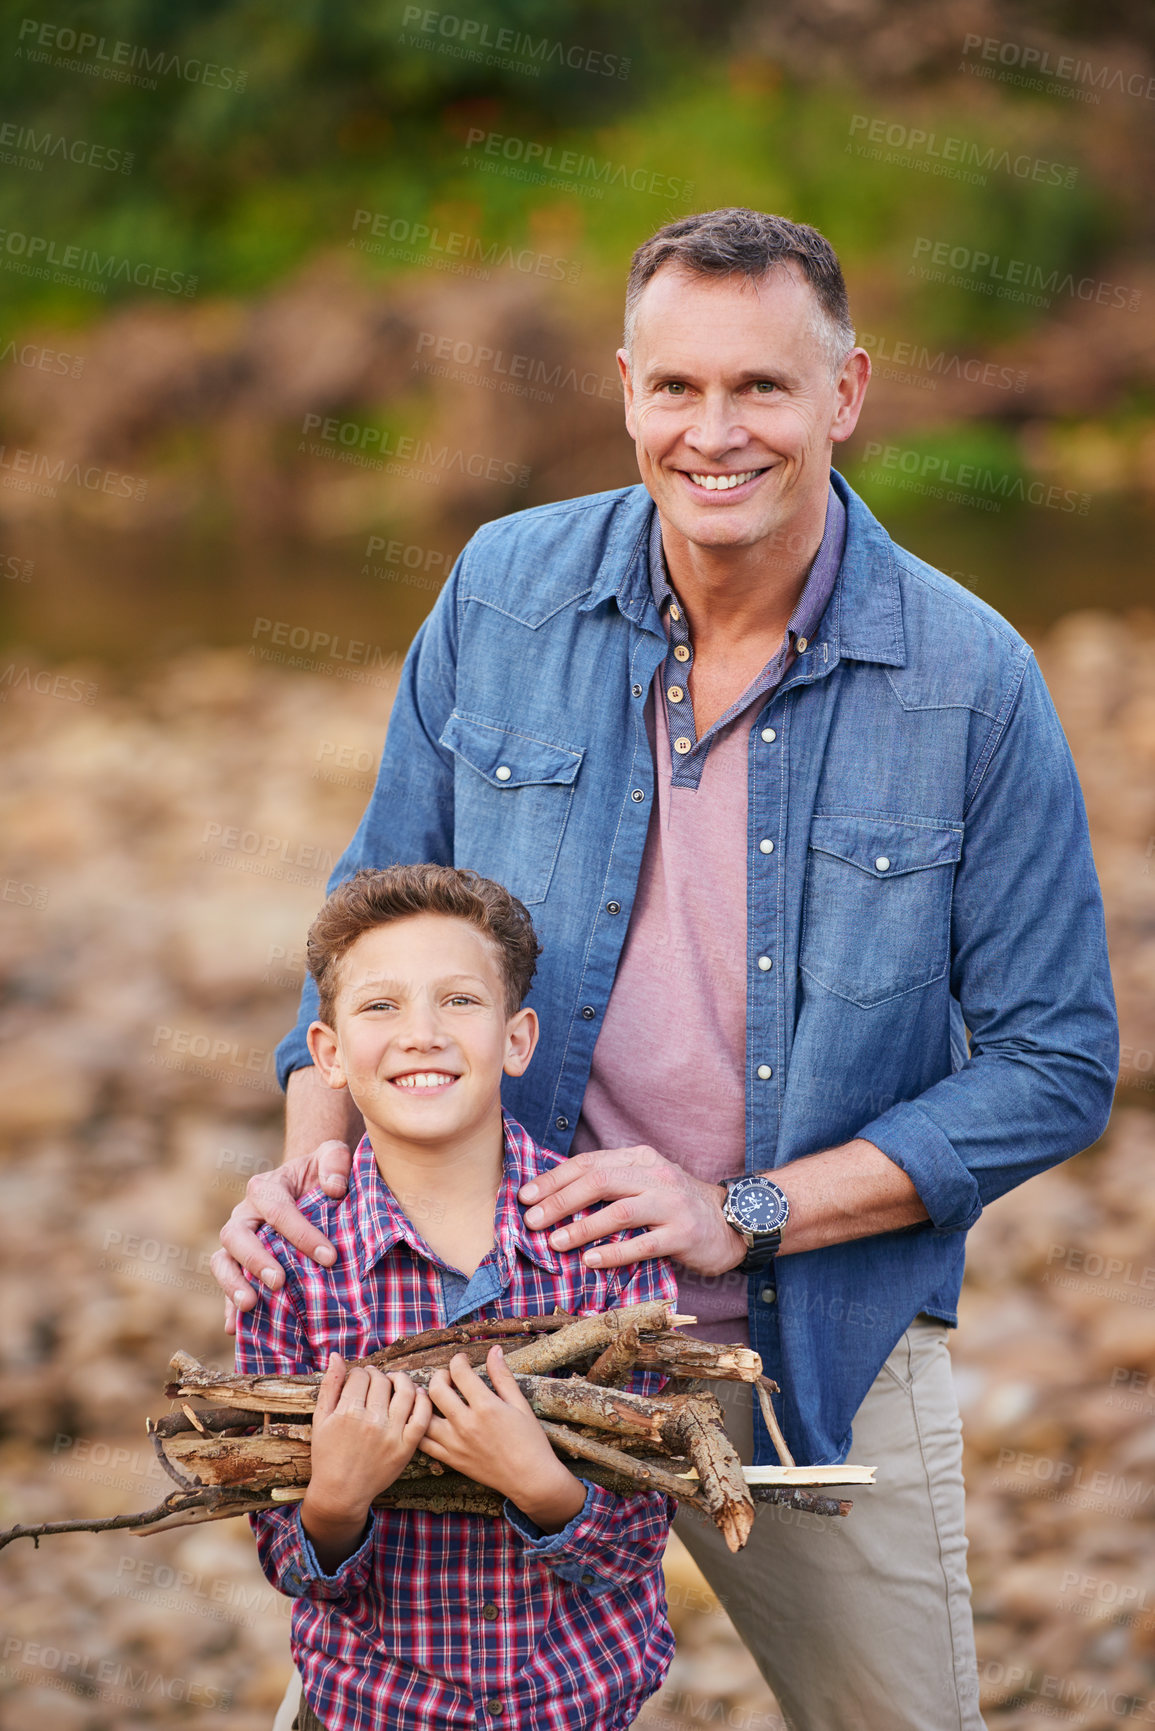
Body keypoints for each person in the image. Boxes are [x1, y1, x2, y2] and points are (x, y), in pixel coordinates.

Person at [215, 208, 1118, 1731]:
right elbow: (367, 922)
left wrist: (737, 1211)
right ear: (626, 387)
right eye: (677, 388)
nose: (715, 434)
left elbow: (1054, 1061)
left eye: (762, 388)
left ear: (844, 394)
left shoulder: (969, 682)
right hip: (482, 1320)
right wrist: (313, 1173)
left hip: (803, 1343)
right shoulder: (505, 588)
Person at [238, 863, 678, 1731]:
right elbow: (290, 1559)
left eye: (459, 1001)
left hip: (577, 1703)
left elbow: (638, 1536)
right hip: (376, 1707)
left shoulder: (606, 1243)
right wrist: (335, 1499)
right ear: (326, 1053)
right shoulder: (289, 1270)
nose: (422, 1034)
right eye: (380, 1006)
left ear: (517, 1039)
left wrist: (539, 1482)